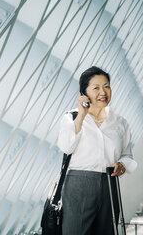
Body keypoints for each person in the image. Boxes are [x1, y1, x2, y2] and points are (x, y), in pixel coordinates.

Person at [57, 66, 137, 235]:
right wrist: (81, 115)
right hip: (79, 185)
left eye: (106, 86)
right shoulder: (71, 117)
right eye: (96, 88)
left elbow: (127, 155)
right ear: (84, 93)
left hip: (110, 184)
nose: (103, 92)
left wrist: (122, 165)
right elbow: (66, 147)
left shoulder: (120, 123)